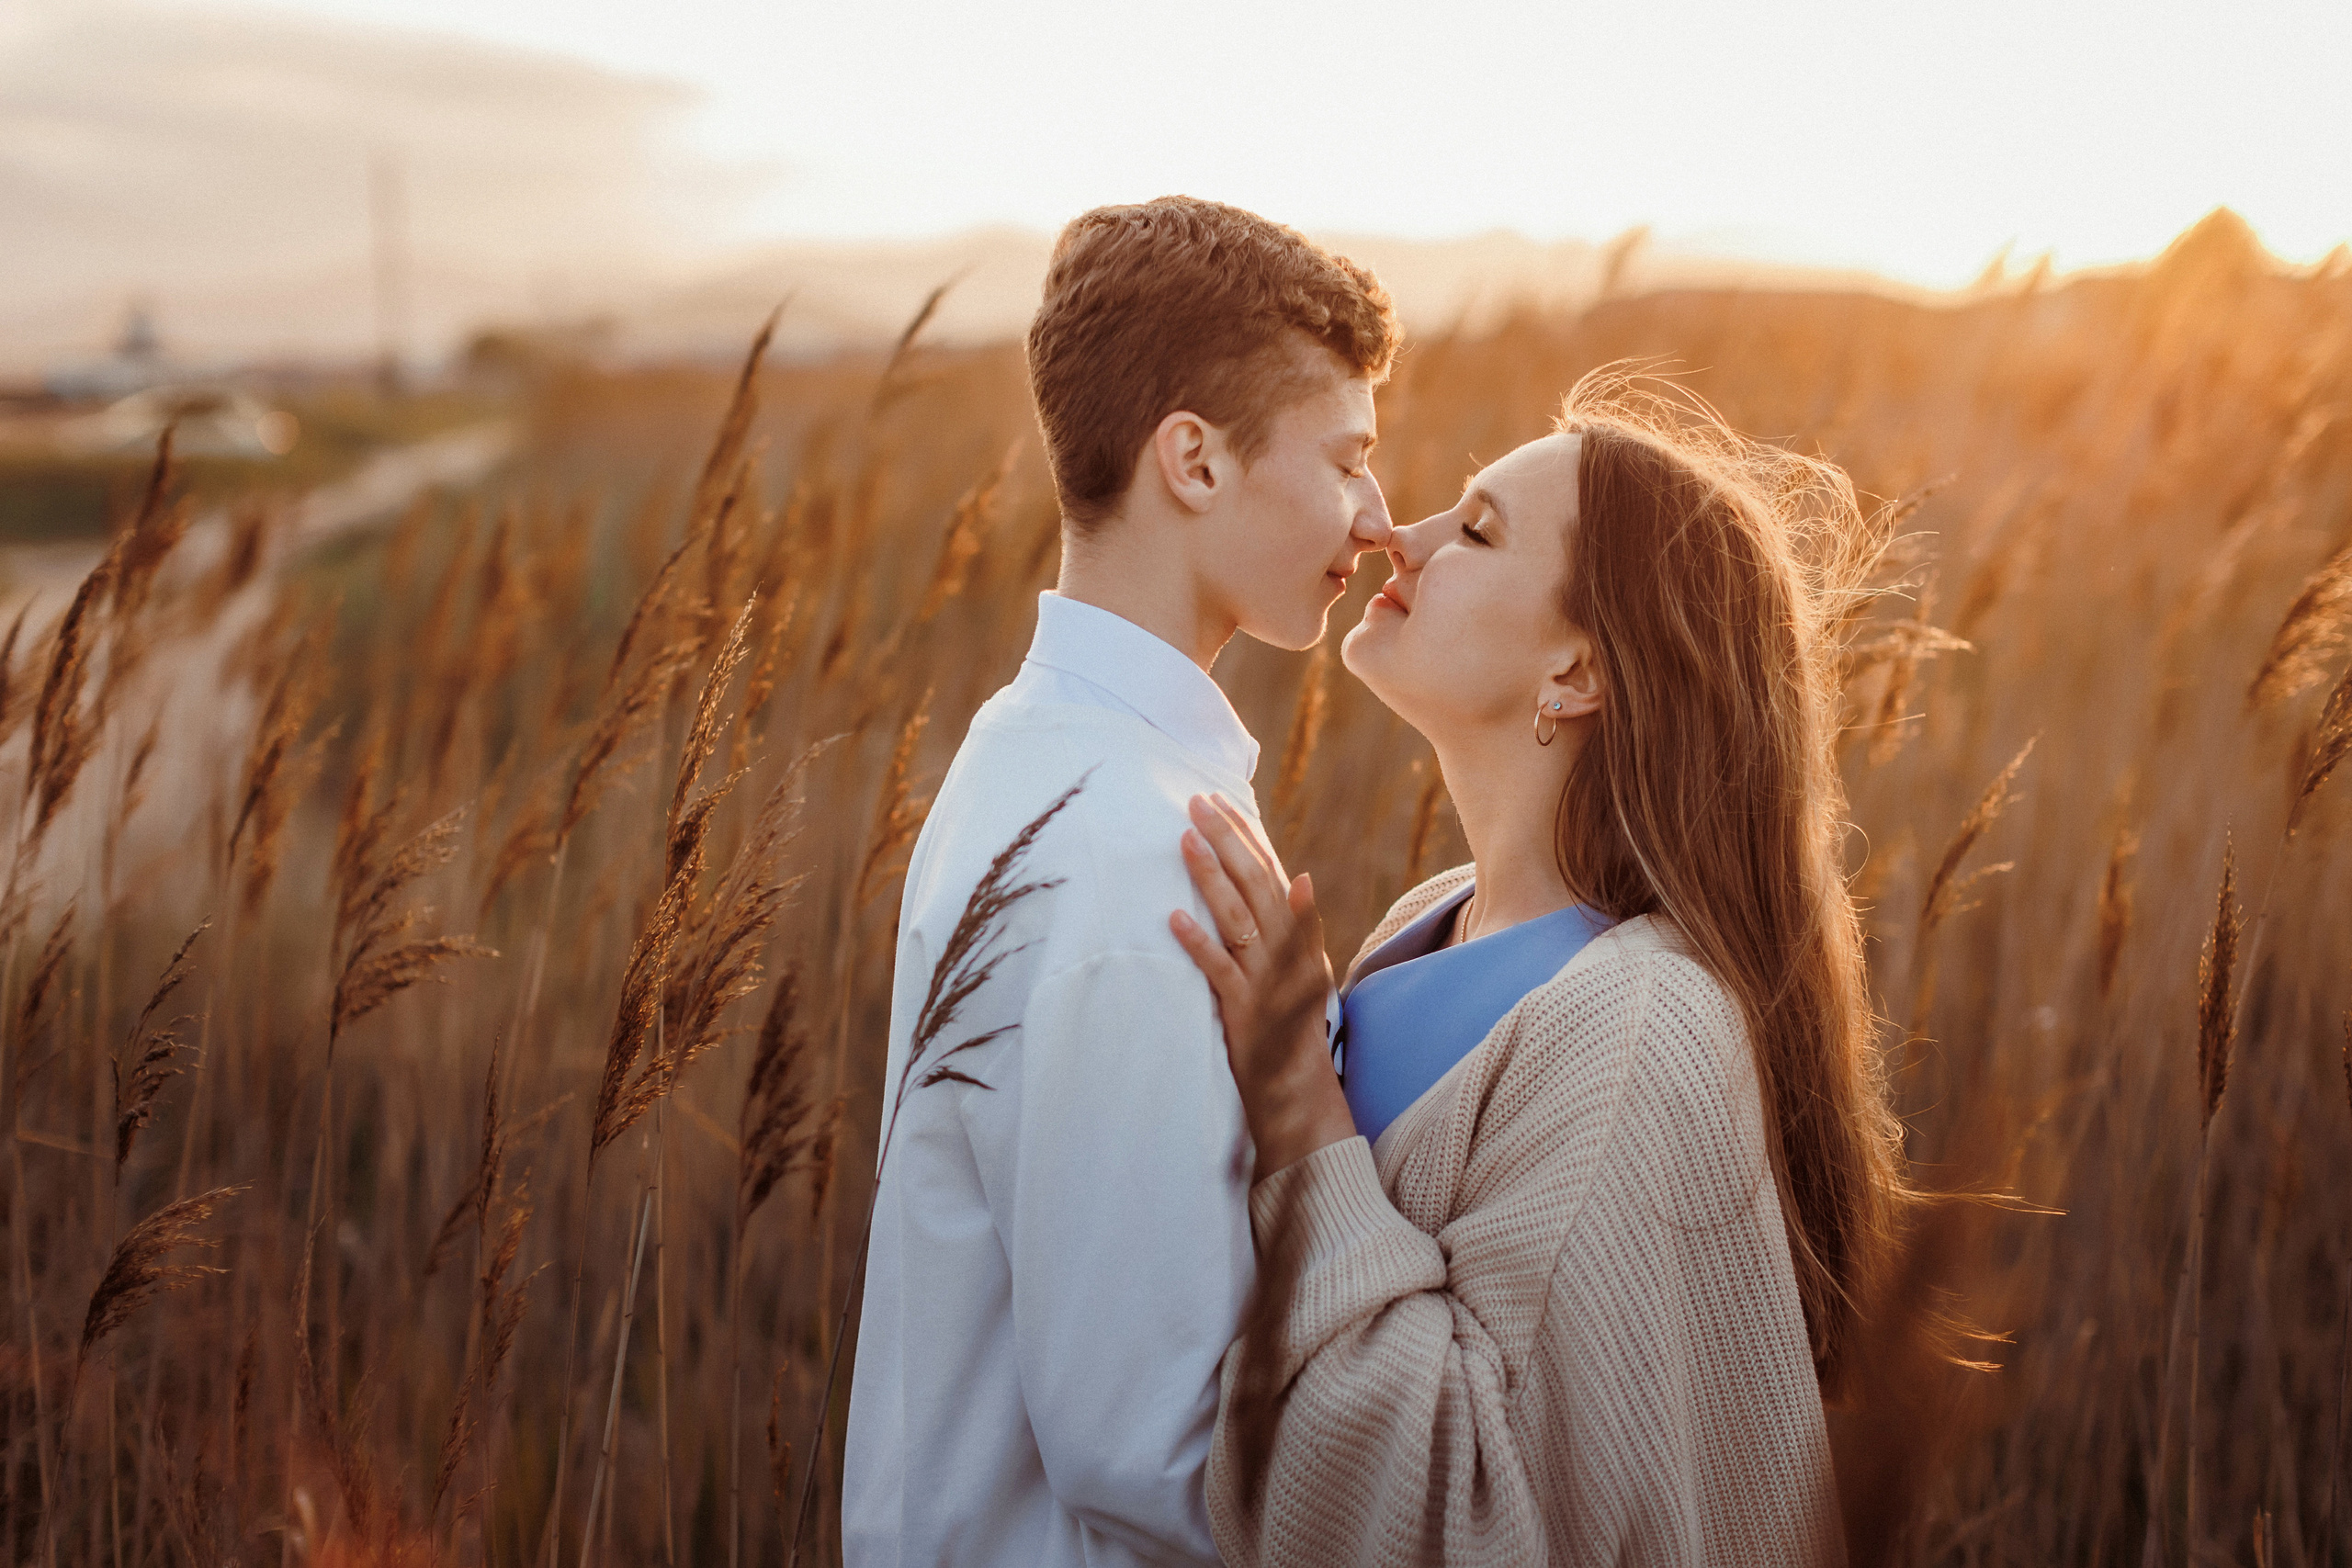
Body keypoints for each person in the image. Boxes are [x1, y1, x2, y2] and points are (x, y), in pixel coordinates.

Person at [1169, 378, 1908, 1565]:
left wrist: (1299, 1106)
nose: (1392, 534)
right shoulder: (1432, 920)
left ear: (1577, 672)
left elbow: (1460, 1518)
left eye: (1474, 531)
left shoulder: (1635, 1034)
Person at [842, 196, 1400, 1567]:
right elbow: (1157, 1447)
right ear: (1194, 461)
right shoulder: (1124, 852)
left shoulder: (1041, 752)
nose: (1381, 519)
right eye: (1348, 460)